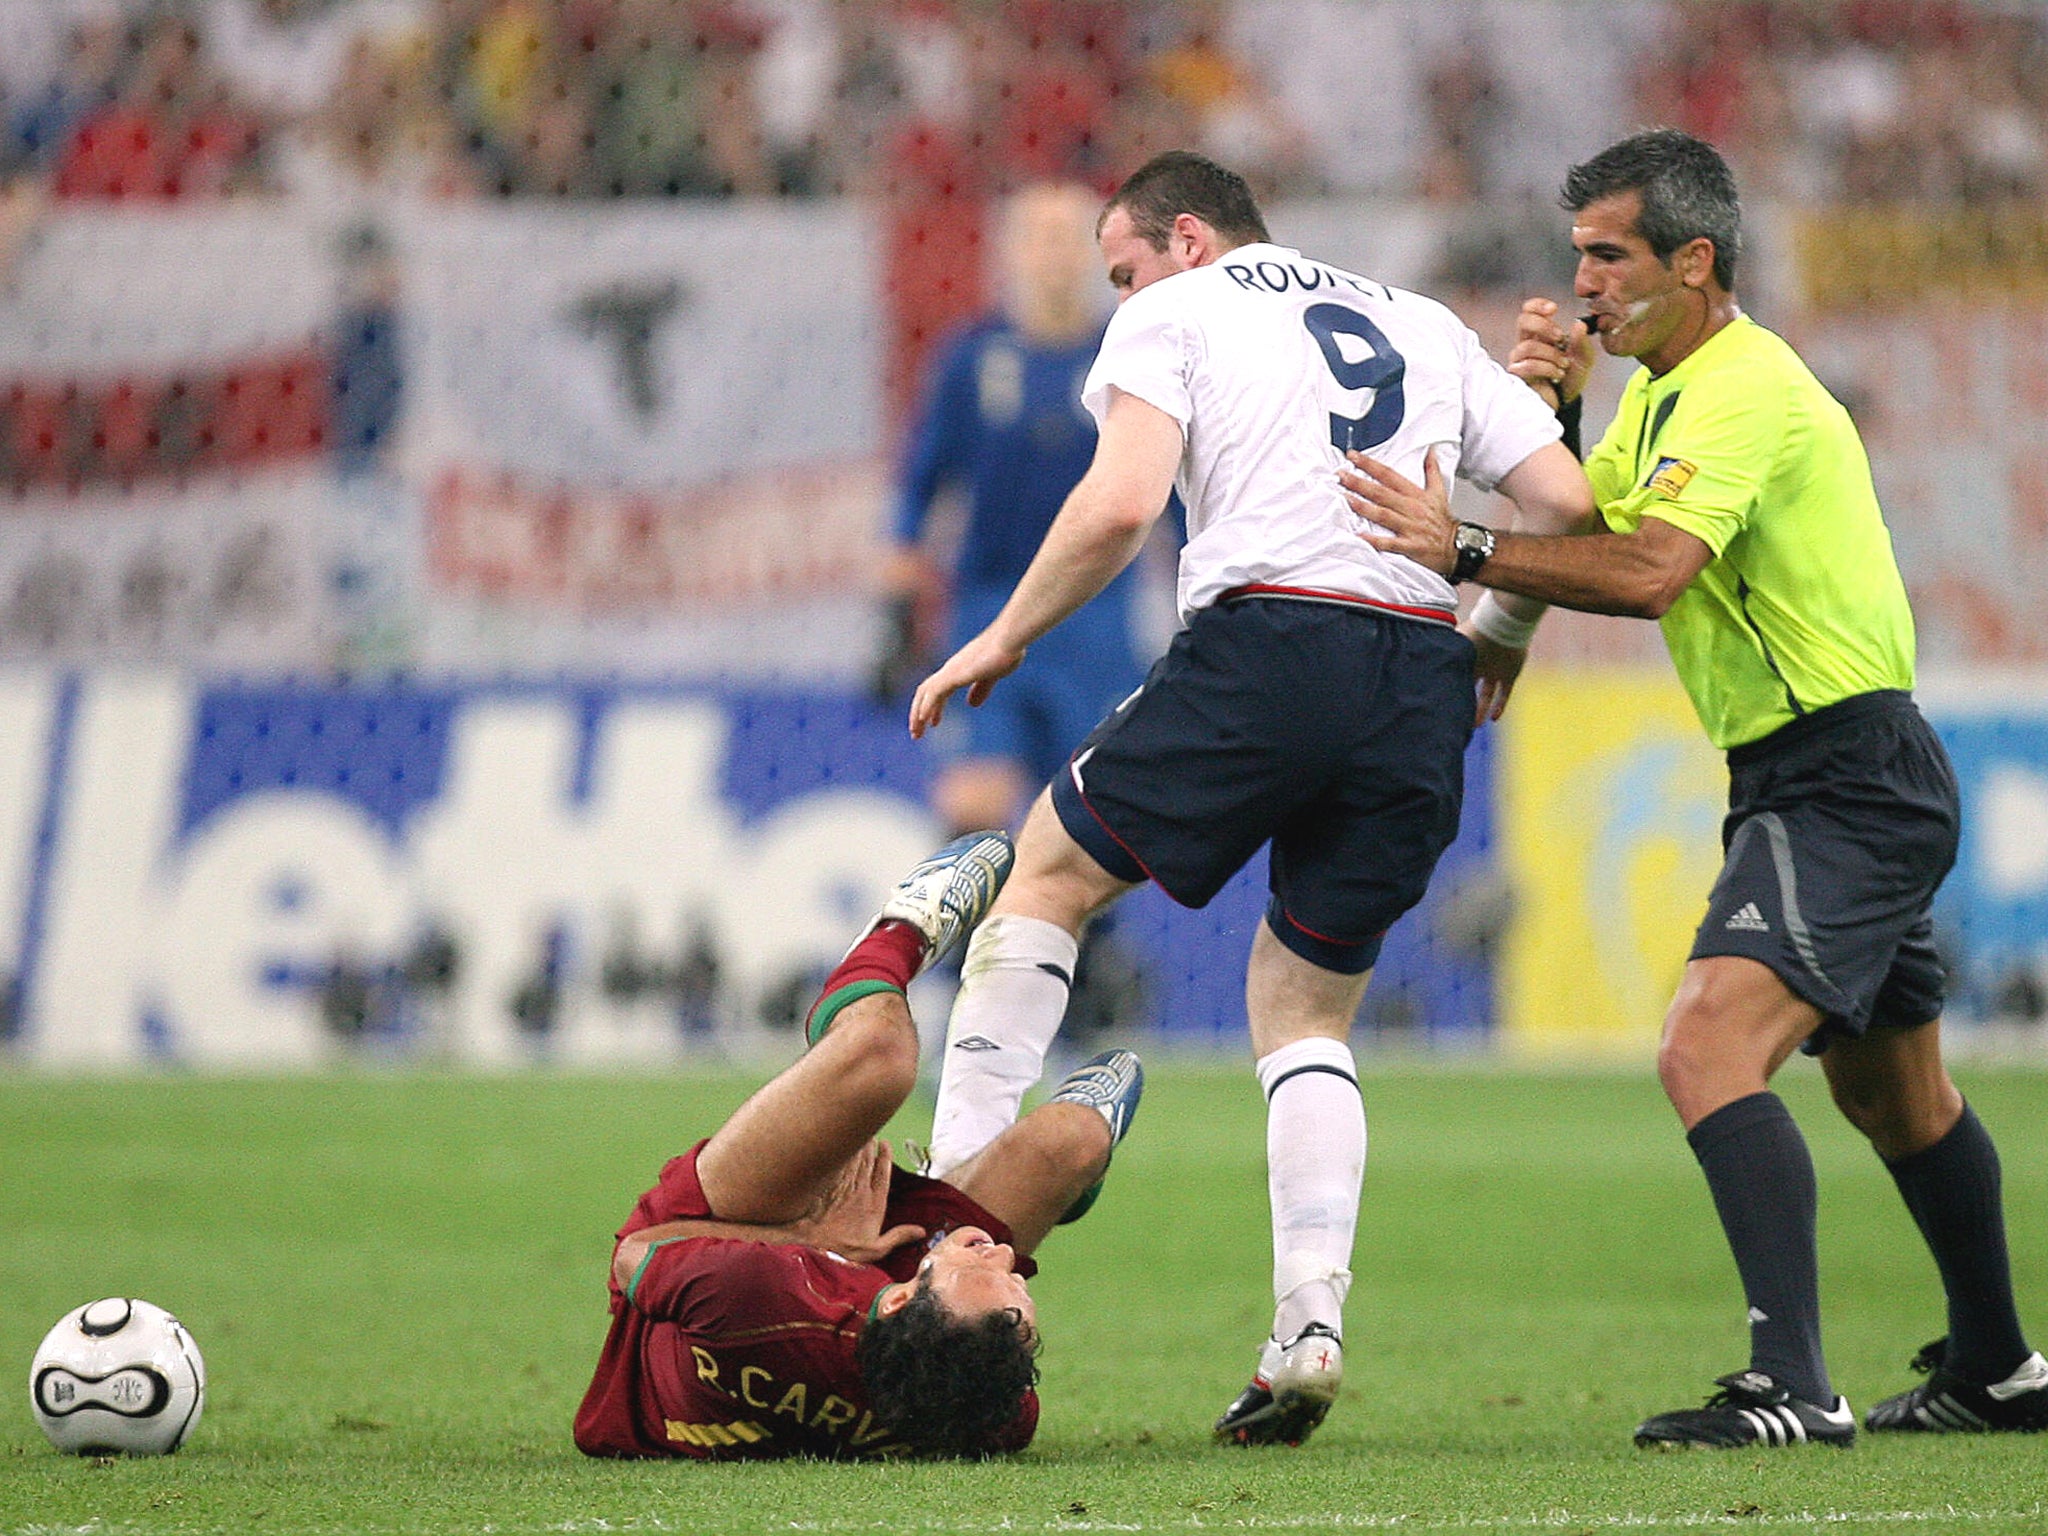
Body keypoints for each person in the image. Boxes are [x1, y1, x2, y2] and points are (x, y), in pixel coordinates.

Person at [1340, 128, 2047, 1450]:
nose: (1586, 283)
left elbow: (1649, 570)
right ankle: (2002, 1370)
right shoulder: (1662, 395)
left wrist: (1467, 548)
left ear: (1694, 260)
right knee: (1897, 1096)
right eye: (1578, 258)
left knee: (1705, 1047)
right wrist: (1548, 423)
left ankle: (1795, 1387)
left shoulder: (1740, 388)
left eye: (1608, 257)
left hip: (1841, 775)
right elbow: (1591, 536)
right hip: (1825, 773)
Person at [908, 150, 1592, 1446]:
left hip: (1269, 641)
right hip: (1417, 678)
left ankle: (947, 1222)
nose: (1116, 295)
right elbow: (1567, 502)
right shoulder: (1424, 322)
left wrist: (1003, 637)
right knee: (1302, 1004)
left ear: (1183, 239)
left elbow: (1117, 507)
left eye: (1121, 270)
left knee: (1039, 878)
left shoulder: (1180, 307)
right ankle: (1309, 1325)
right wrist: (1496, 624)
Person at [572, 830, 1145, 1461]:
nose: (1008, 1256)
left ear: (898, 1295)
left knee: (880, 1060)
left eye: (986, 1266)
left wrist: (820, 1249)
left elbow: (633, 1257)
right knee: (1074, 1142)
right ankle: (964, 1164)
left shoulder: (757, 1295)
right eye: (1019, 1284)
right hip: (886, 1261)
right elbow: (985, 1335)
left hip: (717, 1234)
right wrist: (948, 1251)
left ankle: (901, 926)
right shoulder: (991, 1405)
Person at [878, 179, 1159, 1039]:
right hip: (990, 614)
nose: (1049, 253)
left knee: (1091, 820)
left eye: (1065, 235)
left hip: (1100, 624)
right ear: (1006, 254)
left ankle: (1082, 1009)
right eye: (1032, 236)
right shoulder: (972, 358)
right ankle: (960, 1011)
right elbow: (921, 486)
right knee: (974, 802)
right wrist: (894, 614)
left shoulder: (1134, 357)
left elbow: (1179, 494)